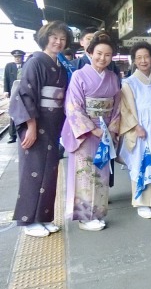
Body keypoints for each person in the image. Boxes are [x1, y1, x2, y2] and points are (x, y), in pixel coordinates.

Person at [9, 22, 71, 237]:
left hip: (53, 125)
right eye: (54, 37)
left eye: (62, 38)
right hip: (37, 123)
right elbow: (26, 95)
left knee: (50, 172)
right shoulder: (35, 62)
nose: (58, 42)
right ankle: (28, 221)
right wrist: (31, 126)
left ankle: (43, 217)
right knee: (33, 171)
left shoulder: (60, 66)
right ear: (45, 38)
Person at [62, 32, 121, 232]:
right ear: (90, 52)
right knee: (85, 174)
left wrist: (111, 130)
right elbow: (73, 107)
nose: (102, 58)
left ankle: (97, 213)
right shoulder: (79, 75)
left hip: (105, 132)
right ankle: (84, 217)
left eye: (107, 55)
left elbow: (117, 107)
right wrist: (93, 129)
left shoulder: (113, 77)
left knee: (101, 174)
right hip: (86, 133)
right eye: (99, 53)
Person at [119, 42, 151, 219]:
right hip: (140, 128)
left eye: (146, 57)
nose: (143, 61)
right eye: (139, 58)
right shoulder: (128, 83)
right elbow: (124, 109)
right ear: (134, 61)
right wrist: (136, 127)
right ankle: (141, 202)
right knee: (141, 163)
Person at [4, 49, 26, 143]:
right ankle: (12, 135)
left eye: (19, 57)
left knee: (25, 112)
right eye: (16, 57)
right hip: (13, 93)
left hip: (24, 93)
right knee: (13, 113)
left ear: (22, 57)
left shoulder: (26, 66)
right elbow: (6, 78)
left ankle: (24, 134)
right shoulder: (9, 66)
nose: (17, 59)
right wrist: (6, 91)